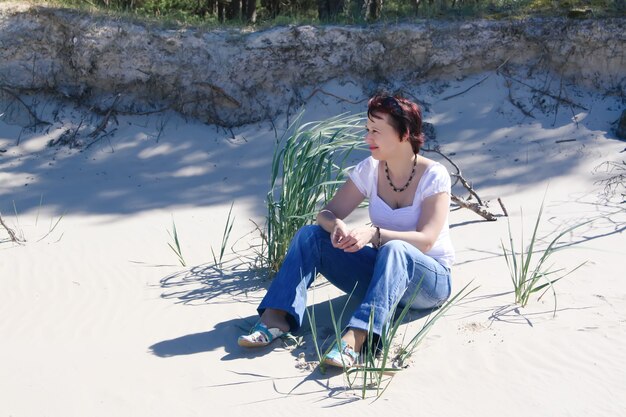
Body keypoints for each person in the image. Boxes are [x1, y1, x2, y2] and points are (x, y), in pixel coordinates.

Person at [238, 94, 455, 368]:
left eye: (377, 131)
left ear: (405, 134)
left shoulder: (434, 175)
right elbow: (326, 213)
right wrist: (335, 224)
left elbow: (425, 241)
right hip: (384, 277)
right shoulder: (370, 169)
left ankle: (358, 337)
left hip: (428, 284)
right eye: (367, 129)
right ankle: (276, 316)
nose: (368, 138)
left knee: (395, 248)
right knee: (310, 236)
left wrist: (374, 234)